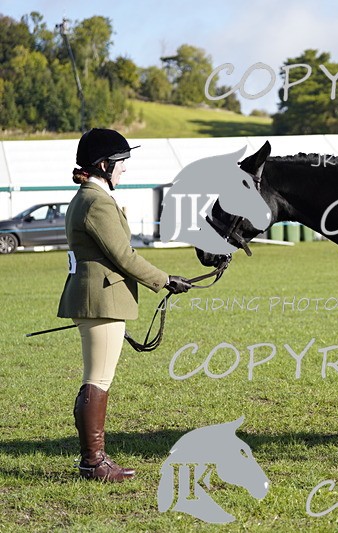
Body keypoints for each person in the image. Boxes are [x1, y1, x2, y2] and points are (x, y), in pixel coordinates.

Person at [57, 128, 192, 482]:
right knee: (97, 380)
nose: (125, 170)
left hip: (99, 297)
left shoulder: (90, 196)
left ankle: (92, 459)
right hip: (101, 299)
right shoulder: (96, 202)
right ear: (103, 164)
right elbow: (124, 256)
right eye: (121, 163)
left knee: (96, 379)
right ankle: (94, 462)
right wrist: (165, 280)